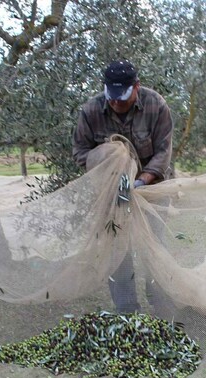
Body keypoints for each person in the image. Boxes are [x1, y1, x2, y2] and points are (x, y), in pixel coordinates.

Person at [72, 59, 174, 314]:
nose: (116, 102)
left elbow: (163, 151)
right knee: (117, 249)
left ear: (136, 87)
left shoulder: (156, 105)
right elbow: (80, 152)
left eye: (123, 96)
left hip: (152, 189)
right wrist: (107, 163)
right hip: (111, 194)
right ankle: (127, 311)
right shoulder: (91, 110)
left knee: (156, 247)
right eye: (112, 96)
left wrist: (140, 181)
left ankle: (162, 303)